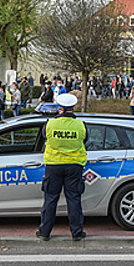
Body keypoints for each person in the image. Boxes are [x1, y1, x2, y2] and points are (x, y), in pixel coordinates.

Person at [36, 93, 87, 242]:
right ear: (73, 108)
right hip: (74, 166)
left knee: (50, 199)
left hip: (53, 166)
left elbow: (45, 137)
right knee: (74, 200)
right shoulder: (81, 125)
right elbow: (86, 140)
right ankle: (76, 233)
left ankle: (45, 232)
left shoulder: (50, 124)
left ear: (59, 108)